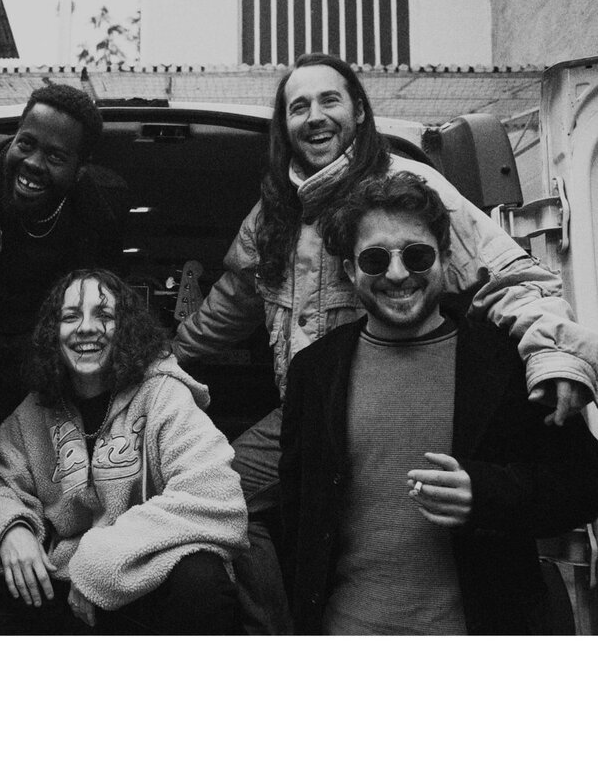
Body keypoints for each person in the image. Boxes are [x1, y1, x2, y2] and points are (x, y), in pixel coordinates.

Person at [174, 52, 598, 634]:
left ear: (359, 110)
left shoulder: (408, 188)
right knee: (220, 496)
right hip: (305, 412)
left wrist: (553, 353)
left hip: (400, 408)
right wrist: (163, 359)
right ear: (284, 126)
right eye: (299, 106)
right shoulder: (271, 213)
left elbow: (512, 276)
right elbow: (231, 302)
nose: (314, 116)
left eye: (329, 100)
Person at [279, 171, 598, 634]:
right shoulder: (315, 371)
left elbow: (584, 485)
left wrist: (486, 494)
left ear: (445, 259)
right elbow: (297, 512)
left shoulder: (503, 360)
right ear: (350, 271)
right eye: (374, 259)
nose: (396, 273)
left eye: (417, 255)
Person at [0, 268, 247, 634]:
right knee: (6, 571)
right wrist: (11, 529)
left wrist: (99, 564)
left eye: (104, 315)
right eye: (71, 317)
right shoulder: (35, 411)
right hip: (65, 582)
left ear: (126, 330)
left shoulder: (163, 395)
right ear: (53, 334)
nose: (86, 328)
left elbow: (215, 495)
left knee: (201, 578)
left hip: (146, 575)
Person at [0, 85, 128, 469]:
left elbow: (100, 306)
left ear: (80, 169)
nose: (32, 162)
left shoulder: (100, 208)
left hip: (32, 360)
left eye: (55, 156)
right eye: (26, 143)